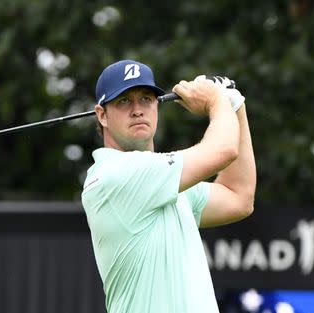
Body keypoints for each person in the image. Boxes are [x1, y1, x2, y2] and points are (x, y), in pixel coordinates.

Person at [81, 59, 256, 313]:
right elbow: (224, 149)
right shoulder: (112, 175)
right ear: (102, 115)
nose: (137, 109)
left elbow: (239, 196)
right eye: (123, 101)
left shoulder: (165, 181)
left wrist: (235, 105)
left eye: (146, 99)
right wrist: (217, 101)